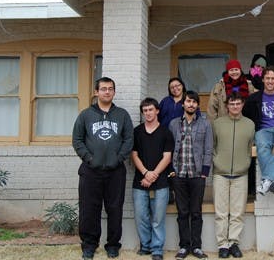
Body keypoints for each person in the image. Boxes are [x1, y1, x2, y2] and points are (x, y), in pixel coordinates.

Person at [72, 77, 134, 260]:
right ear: (96, 92)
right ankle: (89, 245)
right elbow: (77, 140)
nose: (107, 92)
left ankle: (113, 245)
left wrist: (119, 158)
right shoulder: (85, 115)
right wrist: (89, 158)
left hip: (115, 171)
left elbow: (129, 139)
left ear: (114, 92)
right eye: (103, 89)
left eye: (110, 89)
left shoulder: (122, 115)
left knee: (115, 208)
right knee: (89, 209)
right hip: (91, 171)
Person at [169, 91, 213, 260]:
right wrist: (171, 171)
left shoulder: (205, 124)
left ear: (197, 105)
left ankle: (196, 247)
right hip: (178, 174)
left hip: (197, 175)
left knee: (196, 212)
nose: (191, 104)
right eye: (188, 101)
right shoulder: (174, 124)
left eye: (194, 102)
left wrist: (204, 172)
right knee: (182, 212)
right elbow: (169, 148)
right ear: (183, 104)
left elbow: (208, 149)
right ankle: (183, 246)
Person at [212, 92, 255, 259]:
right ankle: (222, 244)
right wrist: (217, 162)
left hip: (241, 173)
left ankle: (233, 243)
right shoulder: (217, 124)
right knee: (221, 212)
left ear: (242, 104)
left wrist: (245, 164)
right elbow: (213, 145)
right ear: (227, 105)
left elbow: (250, 146)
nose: (235, 106)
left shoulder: (250, 124)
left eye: (238, 103)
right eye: (232, 104)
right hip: (220, 174)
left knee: (238, 212)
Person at [131, 98, 174, 260]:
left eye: (151, 110)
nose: (148, 113)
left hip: (161, 182)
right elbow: (133, 155)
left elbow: (167, 157)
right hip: (140, 181)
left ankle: (157, 249)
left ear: (157, 111)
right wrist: (145, 173)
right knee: (141, 216)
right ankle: (146, 245)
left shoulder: (165, 132)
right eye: (145, 110)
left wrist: (153, 174)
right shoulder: (137, 132)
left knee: (158, 218)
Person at [242, 65, 274, 195]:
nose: (270, 81)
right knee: (262, 146)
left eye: (273, 78)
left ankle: (267, 180)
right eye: (267, 78)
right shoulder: (254, 98)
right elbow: (245, 115)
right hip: (263, 130)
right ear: (263, 80)